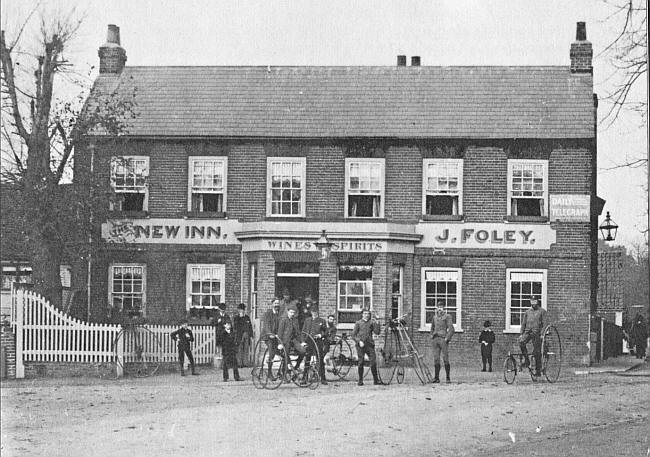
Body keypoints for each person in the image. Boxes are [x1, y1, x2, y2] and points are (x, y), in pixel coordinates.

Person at [518, 296, 547, 377]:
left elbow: (545, 324)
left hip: (537, 333)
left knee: (536, 351)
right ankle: (527, 360)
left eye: (534, 302)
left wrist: (542, 334)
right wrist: (521, 334)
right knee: (521, 342)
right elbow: (523, 323)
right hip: (527, 332)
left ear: (537, 302)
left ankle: (538, 370)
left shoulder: (542, 311)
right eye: (531, 302)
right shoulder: (527, 312)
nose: (533, 304)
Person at [352, 308, 381, 386]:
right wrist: (359, 341)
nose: (366, 315)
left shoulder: (372, 323)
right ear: (362, 314)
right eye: (365, 313)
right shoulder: (358, 323)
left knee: (373, 362)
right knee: (361, 362)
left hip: (369, 345)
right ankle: (360, 380)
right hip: (360, 345)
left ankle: (376, 380)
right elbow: (353, 335)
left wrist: (377, 322)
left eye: (368, 313)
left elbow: (377, 332)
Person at [277, 304, 307, 376]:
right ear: (287, 312)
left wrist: (302, 342)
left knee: (303, 351)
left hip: (293, 340)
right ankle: (285, 372)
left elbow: (298, 333)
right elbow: (280, 332)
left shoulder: (295, 321)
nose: (292, 314)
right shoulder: (283, 320)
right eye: (291, 312)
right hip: (285, 341)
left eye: (293, 312)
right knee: (286, 355)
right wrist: (279, 343)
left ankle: (296, 367)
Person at [302, 304, 328, 384]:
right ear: (311, 312)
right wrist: (303, 341)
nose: (314, 313)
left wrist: (320, 335)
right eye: (313, 312)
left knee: (320, 359)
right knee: (307, 359)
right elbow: (303, 331)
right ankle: (304, 378)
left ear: (318, 312)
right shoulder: (307, 320)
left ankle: (323, 378)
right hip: (309, 341)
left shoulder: (322, 321)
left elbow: (326, 331)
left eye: (315, 312)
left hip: (318, 342)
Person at [430, 301, 455, 383]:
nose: (439, 309)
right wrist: (431, 335)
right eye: (438, 307)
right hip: (435, 339)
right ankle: (436, 378)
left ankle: (448, 378)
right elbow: (432, 328)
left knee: (445, 358)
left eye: (441, 307)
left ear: (444, 308)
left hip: (443, 339)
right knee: (436, 358)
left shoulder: (447, 316)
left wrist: (447, 338)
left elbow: (451, 329)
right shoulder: (434, 317)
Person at [262, 298, 282, 379]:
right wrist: (270, 334)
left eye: (278, 303)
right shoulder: (268, 314)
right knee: (272, 351)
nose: (277, 305)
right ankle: (269, 372)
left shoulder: (279, 314)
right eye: (275, 303)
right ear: (272, 304)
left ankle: (281, 372)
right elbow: (266, 326)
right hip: (268, 337)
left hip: (276, 337)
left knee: (283, 352)